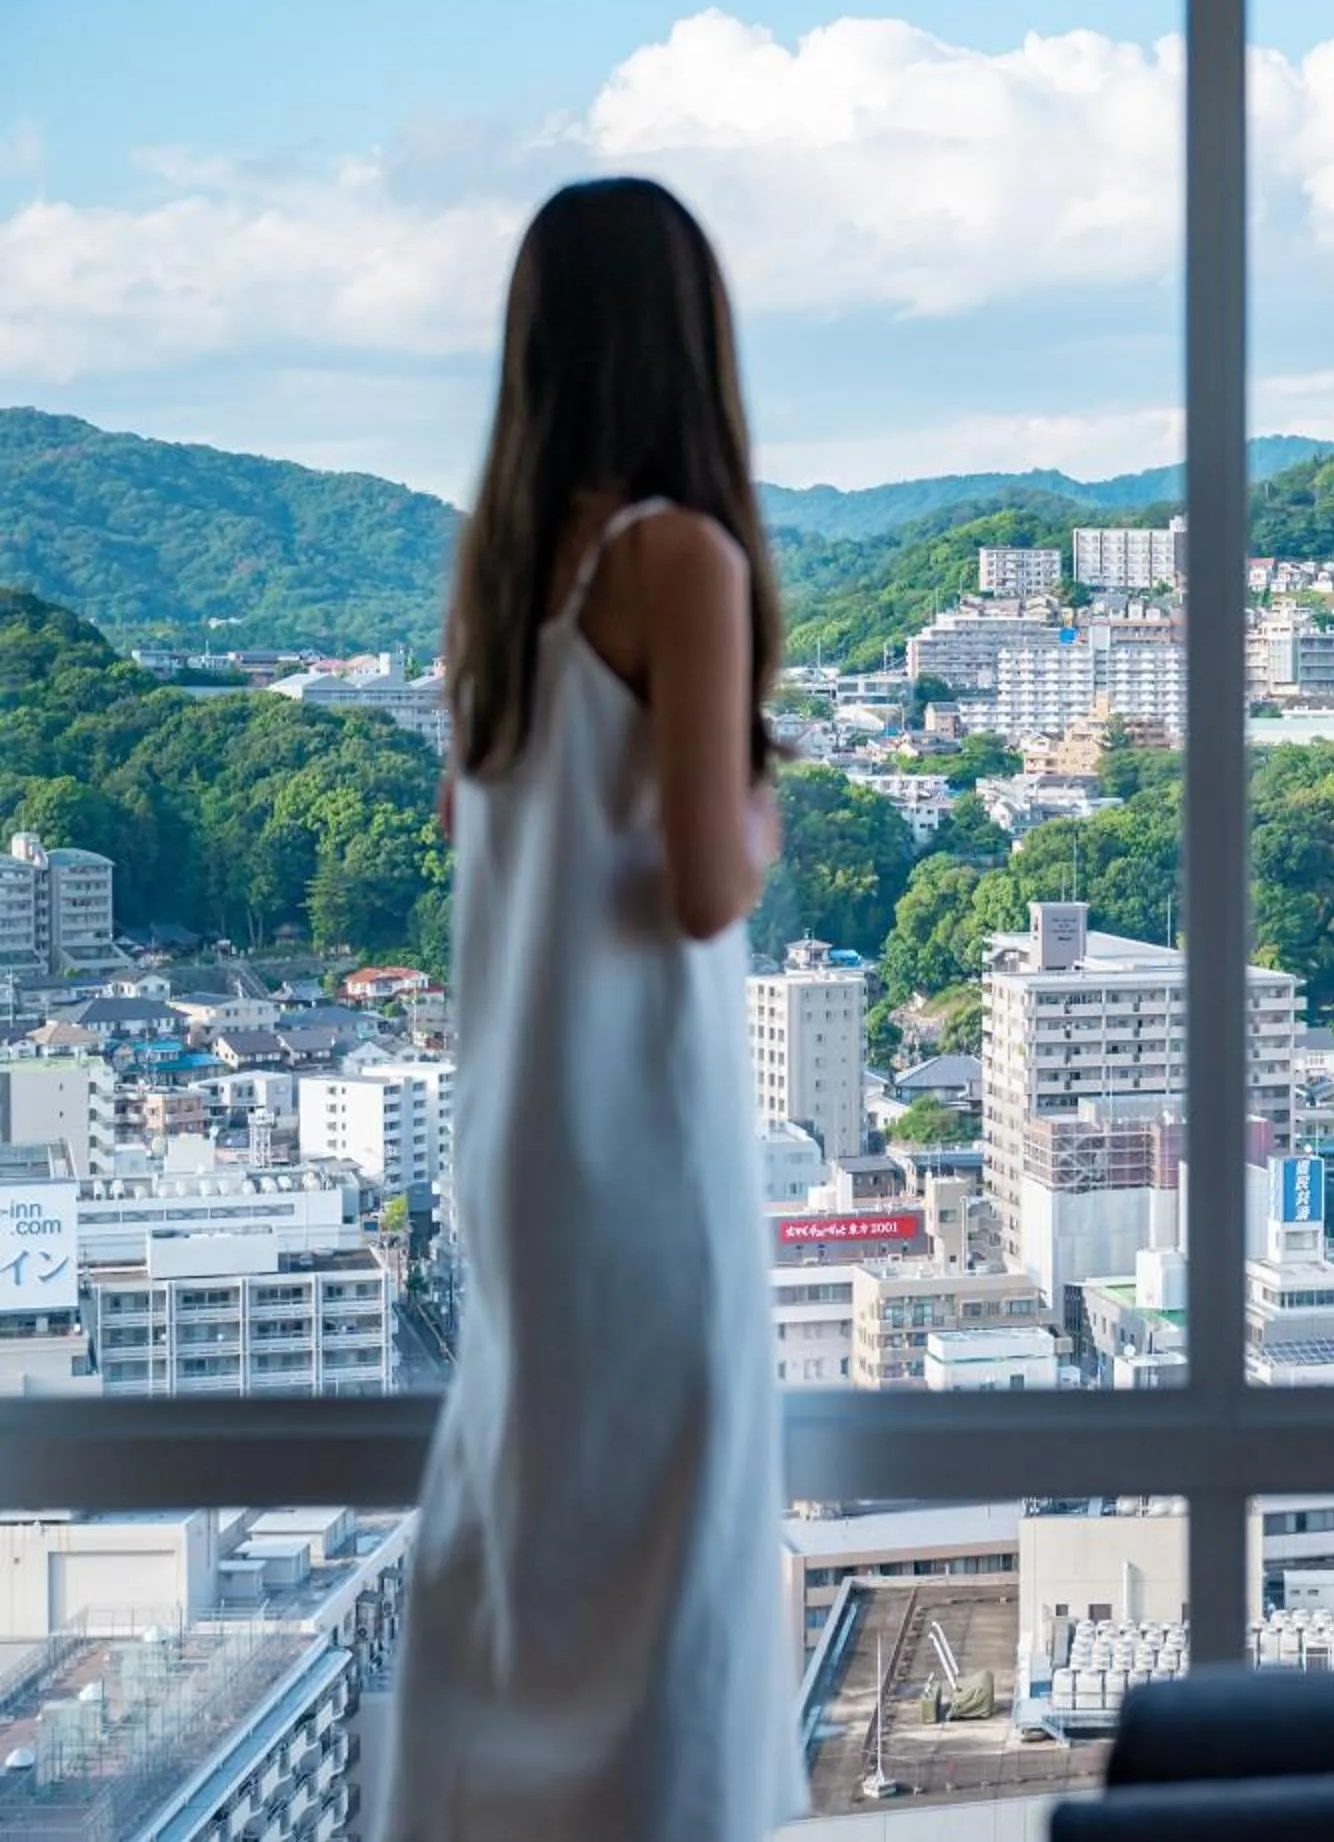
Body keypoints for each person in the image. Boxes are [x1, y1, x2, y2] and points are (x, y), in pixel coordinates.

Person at [380, 177, 799, 1839]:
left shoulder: (498, 576)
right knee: (673, 1574)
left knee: (524, 1560)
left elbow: (482, 830)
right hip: (645, 1165)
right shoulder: (677, 558)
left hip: (521, 1163)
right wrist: (768, 802)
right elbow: (705, 882)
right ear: (690, 344)